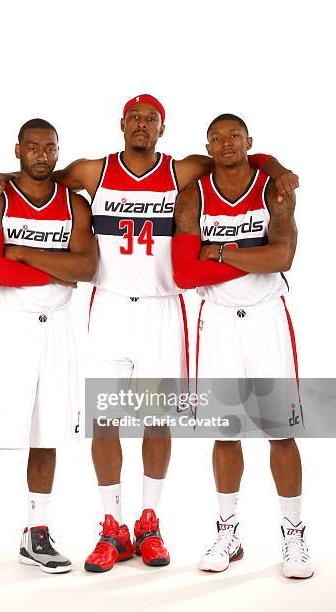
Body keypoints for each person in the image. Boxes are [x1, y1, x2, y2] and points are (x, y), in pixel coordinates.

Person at [0, 96, 298, 573]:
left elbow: (239, 159)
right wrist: (3, 177)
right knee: (105, 420)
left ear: (163, 127)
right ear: (122, 124)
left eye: (151, 118)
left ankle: (150, 522)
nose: (142, 125)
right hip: (107, 305)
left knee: (156, 418)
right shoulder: (94, 172)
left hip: (161, 308)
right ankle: (112, 524)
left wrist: (277, 165)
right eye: (134, 118)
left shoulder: (182, 171)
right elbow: (42, 175)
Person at [0, 118, 98, 589]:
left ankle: (36, 532)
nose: (42, 155)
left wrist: (25, 256)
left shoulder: (74, 205)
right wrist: (56, 271)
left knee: (47, 434)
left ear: (57, 151)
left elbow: (87, 267)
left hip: (58, 331)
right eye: (33, 147)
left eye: (50, 148)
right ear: (18, 150)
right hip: (7, 330)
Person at [172, 113, 312, 579]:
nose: (226, 143)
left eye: (234, 136)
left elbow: (283, 256)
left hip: (267, 317)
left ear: (250, 142)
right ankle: (227, 530)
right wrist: (250, 257)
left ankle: (294, 533)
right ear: (207, 146)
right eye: (216, 138)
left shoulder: (273, 188)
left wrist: (220, 252)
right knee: (224, 430)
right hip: (216, 321)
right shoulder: (193, 195)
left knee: (281, 430)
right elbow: (187, 273)